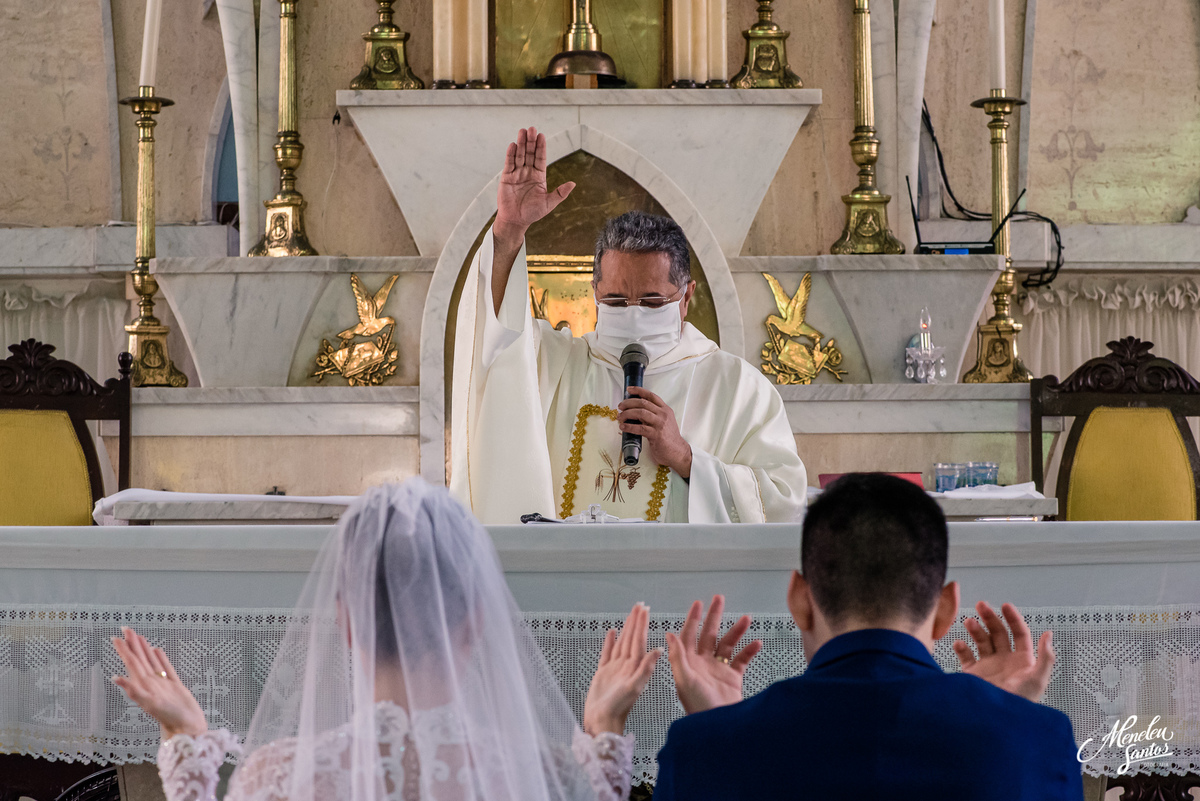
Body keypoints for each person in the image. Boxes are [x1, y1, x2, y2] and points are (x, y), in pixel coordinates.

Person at [111, 479, 662, 801]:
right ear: (475, 620)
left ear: (347, 623)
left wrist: (185, 740)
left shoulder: (278, 778)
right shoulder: (545, 777)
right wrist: (604, 734)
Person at [450, 127, 807, 524]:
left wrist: (686, 458)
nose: (634, 313)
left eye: (653, 301)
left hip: (679, 584)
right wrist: (509, 232)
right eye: (617, 301)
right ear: (594, 293)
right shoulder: (560, 364)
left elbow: (783, 502)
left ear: (686, 297)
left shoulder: (738, 388)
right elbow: (495, 339)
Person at [655, 473, 1084, 799]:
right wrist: (1004, 722)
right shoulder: (1040, 738)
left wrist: (717, 729)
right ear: (947, 610)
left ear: (799, 599)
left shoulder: (701, 746)